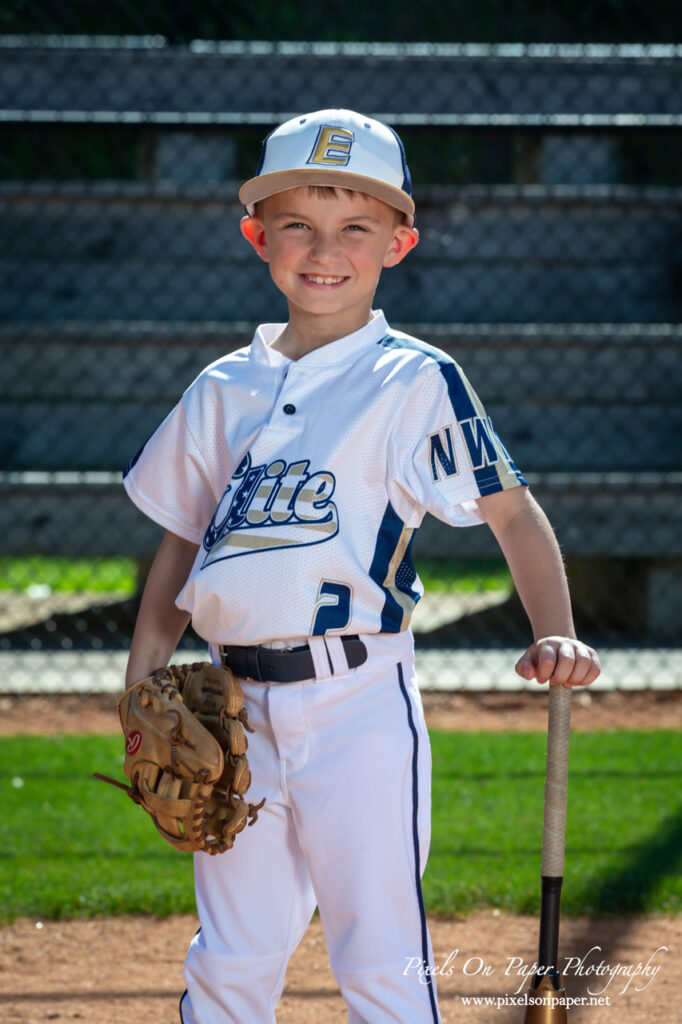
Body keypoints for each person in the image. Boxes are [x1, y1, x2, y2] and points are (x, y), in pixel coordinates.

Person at [122, 108, 600, 1024]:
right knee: (232, 953)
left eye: (356, 228)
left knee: (379, 952)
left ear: (400, 243)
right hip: (235, 709)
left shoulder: (415, 378)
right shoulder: (224, 387)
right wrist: (142, 677)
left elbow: (510, 508)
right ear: (258, 236)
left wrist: (555, 630)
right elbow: (183, 537)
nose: (323, 249)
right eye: (297, 223)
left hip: (360, 703)